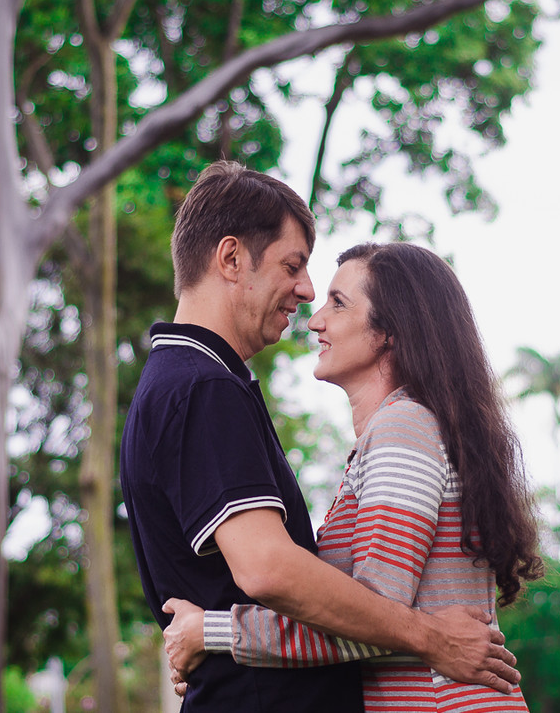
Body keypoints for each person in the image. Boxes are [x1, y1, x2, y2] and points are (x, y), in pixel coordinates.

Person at [119, 161, 521, 713]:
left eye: (337, 300)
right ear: (231, 259)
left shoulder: (398, 427)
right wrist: (431, 636)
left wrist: (208, 631)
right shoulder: (201, 388)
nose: (308, 302)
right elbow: (272, 570)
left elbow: (358, 602)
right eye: (293, 266)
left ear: (390, 334)